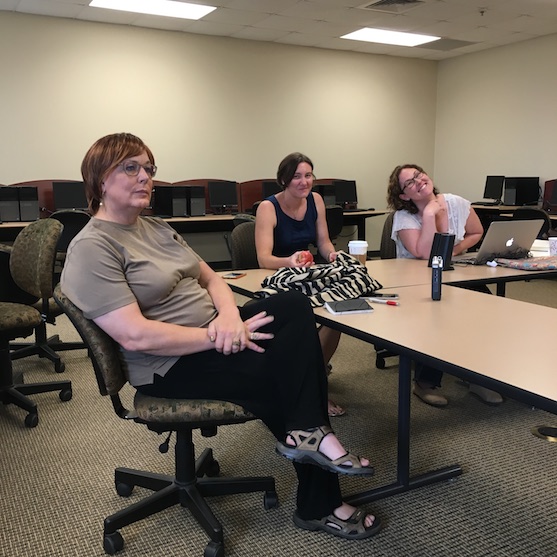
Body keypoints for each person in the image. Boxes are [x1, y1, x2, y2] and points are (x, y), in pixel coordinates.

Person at [60, 133, 381, 541]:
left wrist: (230, 318)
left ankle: (307, 434)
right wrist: (220, 337)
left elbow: (211, 276)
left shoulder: (154, 227)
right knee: (284, 371)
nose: (145, 177)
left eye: (149, 168)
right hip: (170, 363)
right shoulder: (92, 246)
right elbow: (135, 336)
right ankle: (319, 501)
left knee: (292, 305)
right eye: (131, 167)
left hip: (217, 331)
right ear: (99, 179)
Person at [386, 163, 503, 407]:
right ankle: (425, 384)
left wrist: (455, 250)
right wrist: (429, 215)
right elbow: (424, 253)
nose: (418, 181)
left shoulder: (457, 203)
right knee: (436, 313)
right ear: (404, 195)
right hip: (415, 282)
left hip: (454, 274)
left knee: (486, 305)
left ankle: (478, 377)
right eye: (410, 182)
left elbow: (476, 232)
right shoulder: (404, 216)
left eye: (419, 175)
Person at [254, 152, 345, 418]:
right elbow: (263, 258)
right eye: (296, 177)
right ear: (283, 179)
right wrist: (289, 261)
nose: (304, 182)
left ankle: (312, 376)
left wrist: (331, 255)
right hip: (278, 274)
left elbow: (323, 241)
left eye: (308, 175)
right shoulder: (267, 208)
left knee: (336, 315)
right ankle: (313, 389)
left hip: (306, 273)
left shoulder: (315, 200)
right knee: (303, 321)